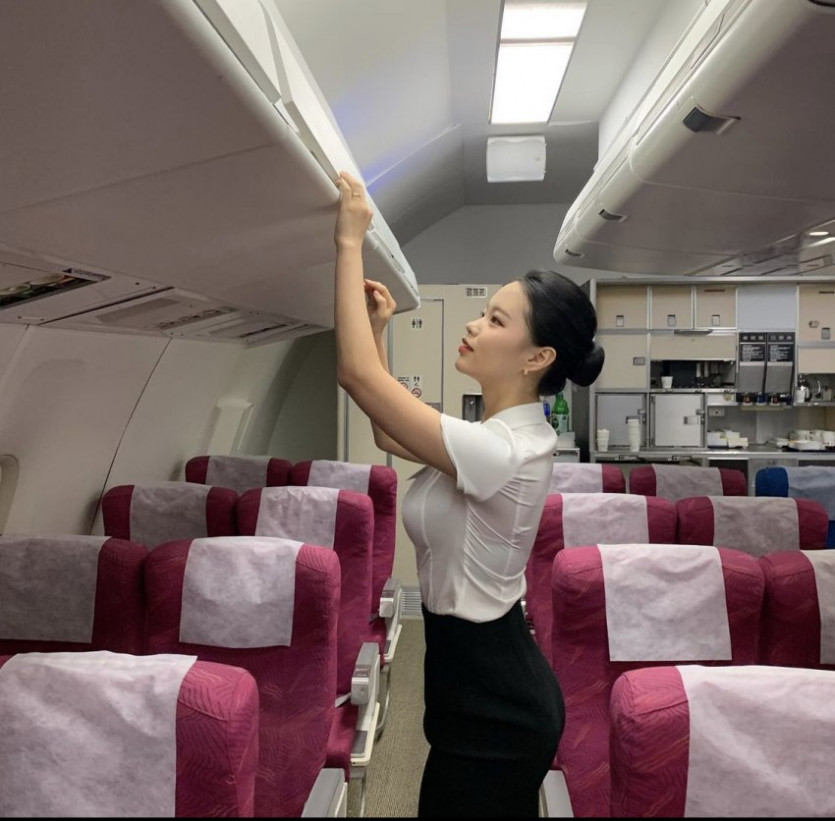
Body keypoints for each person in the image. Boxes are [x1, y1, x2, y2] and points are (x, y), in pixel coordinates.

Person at [333, 170, 604, 818]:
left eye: (495, 319)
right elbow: (386, 428)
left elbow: (354, 377)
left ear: (535, 357)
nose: (476, 326)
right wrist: (379, 325)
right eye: (482, 314)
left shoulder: (503, 450)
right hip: (469, 691)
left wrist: (349, 242)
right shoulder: (494, 435)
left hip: (498, 704)